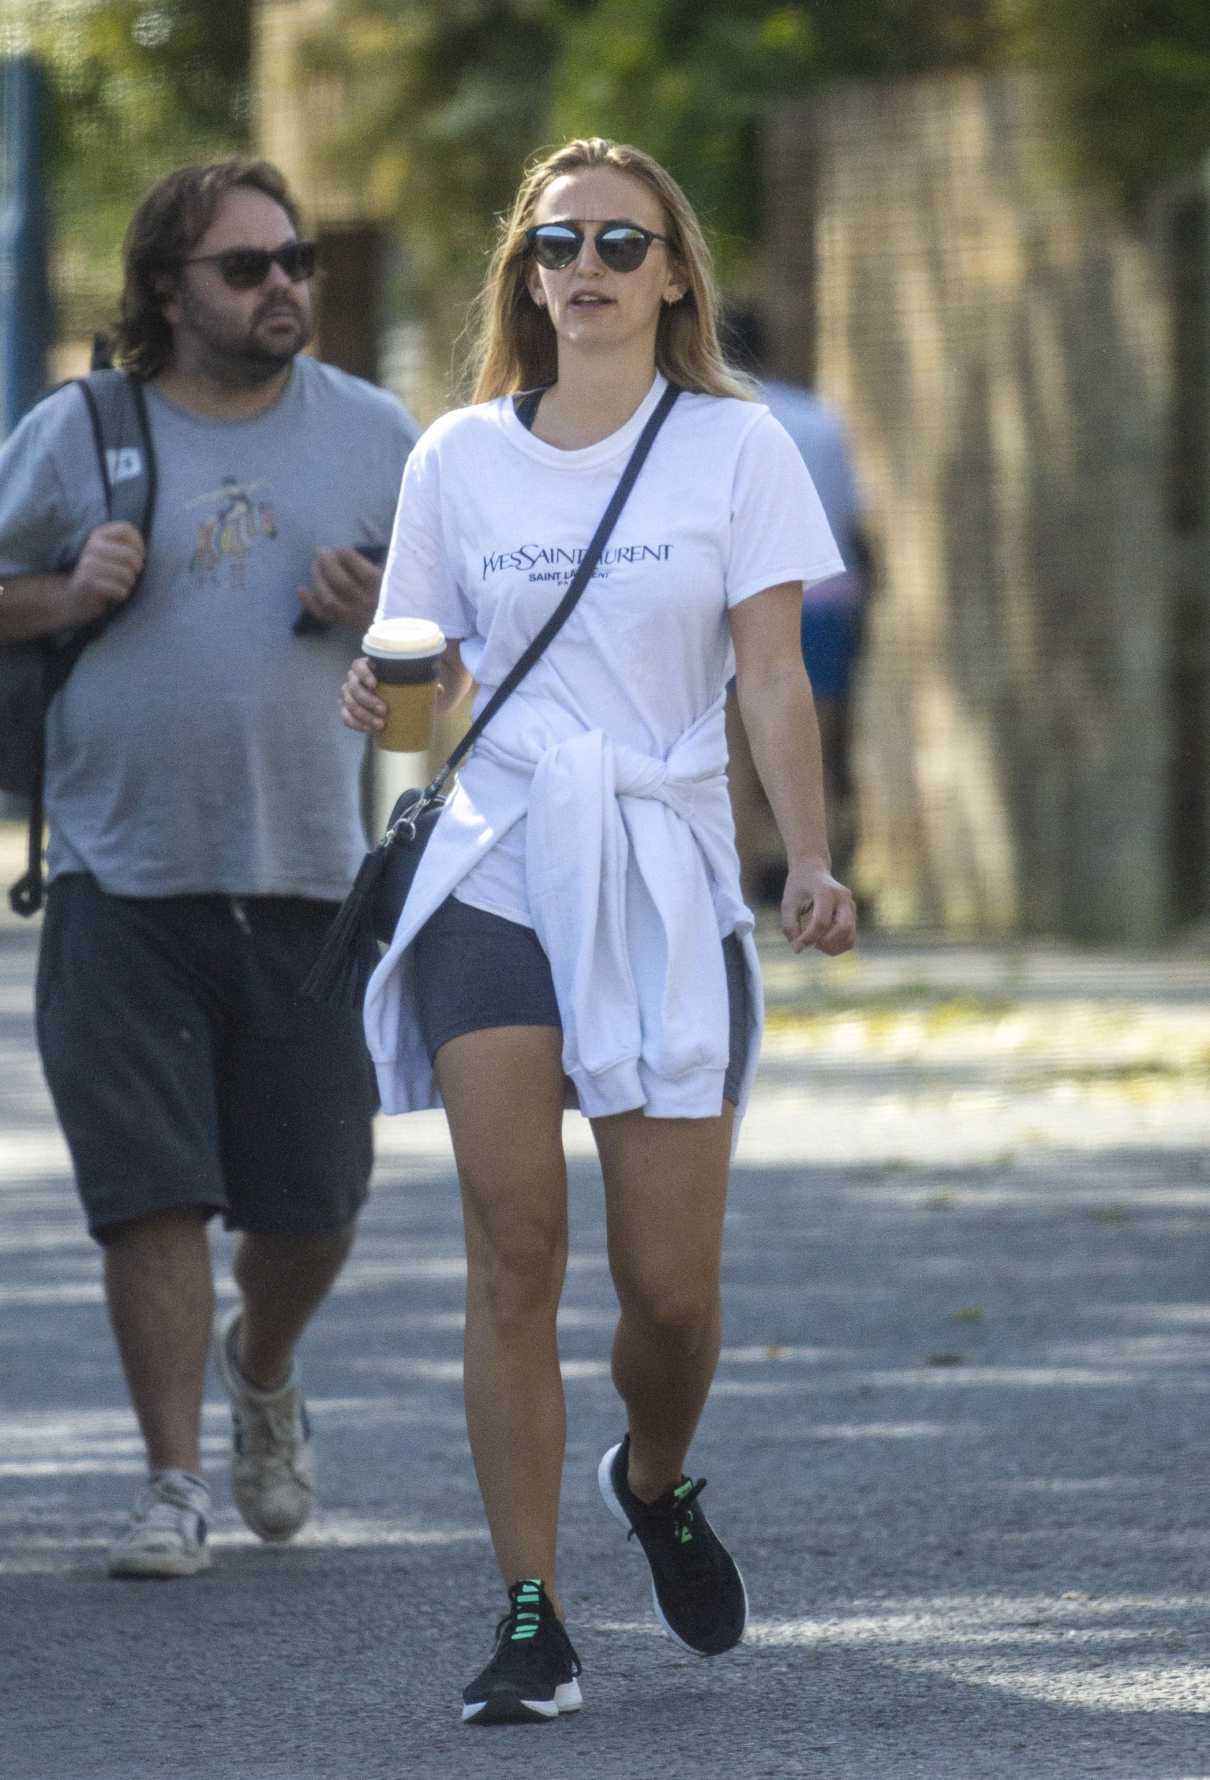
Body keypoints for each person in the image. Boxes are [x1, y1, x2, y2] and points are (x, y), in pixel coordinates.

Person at [340, 136, 855, 1725]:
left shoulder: (734, 446)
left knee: (669, 1295)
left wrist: (807, 862)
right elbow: (423, 685)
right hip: (496, 864)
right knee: (514, 1248)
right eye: (558, 242)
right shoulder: (455, 459)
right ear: (527, 273)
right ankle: (531, 1616)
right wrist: (384, 700)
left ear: (674, 274)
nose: (587, 266)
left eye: (621, 242)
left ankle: (653, 1475)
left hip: (661, 869)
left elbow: (769, 672)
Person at [0, 158, 418, 1578]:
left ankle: (264, 1362)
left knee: (315, 1206)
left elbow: (449, 679)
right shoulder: (80, 430)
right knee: (150, 1194)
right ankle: (172, 1482)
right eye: (245, 266)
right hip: (117, 877)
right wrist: (65, 593)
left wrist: (391, 621)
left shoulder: (376, 435)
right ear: (166, 291)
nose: (281, 285)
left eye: (294, 259)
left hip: (311, 879)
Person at [723, 304, 876, 892]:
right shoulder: (820, 420)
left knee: (737, 756)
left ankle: (740, 887)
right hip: (828, 600)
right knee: (820, 750)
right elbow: (854, 522)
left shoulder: (720, 426)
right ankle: (828, 880)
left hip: (747, 601)